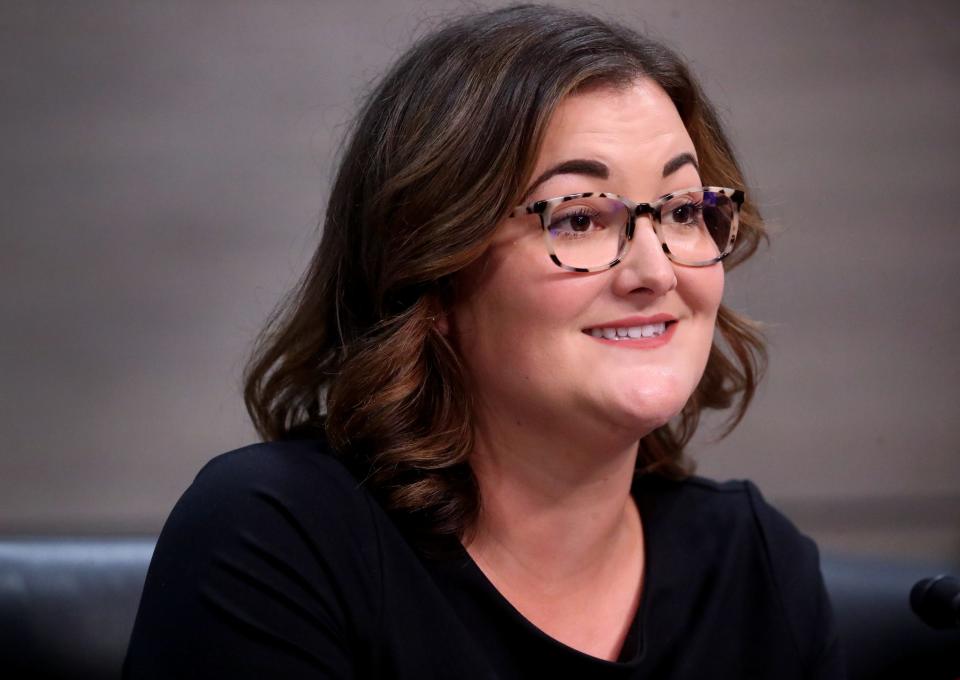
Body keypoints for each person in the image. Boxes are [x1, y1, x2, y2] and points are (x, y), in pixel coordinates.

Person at [124, 5, 844, 678]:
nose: (655, 271)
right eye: (581, 218)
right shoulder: (277, 535)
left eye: (684, 209)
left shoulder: (756, 567)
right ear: (431, 278)